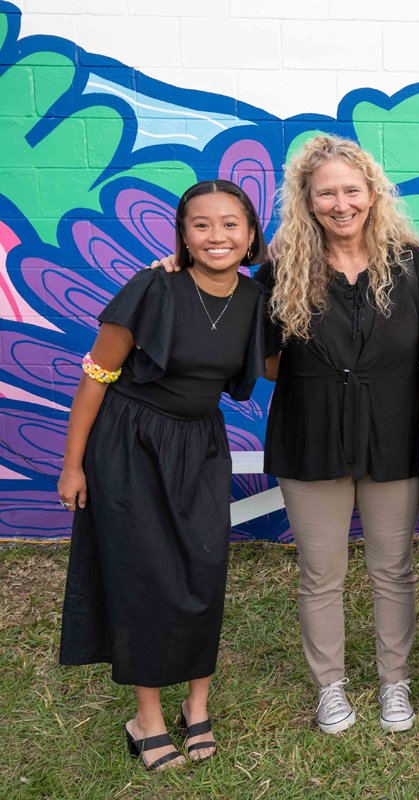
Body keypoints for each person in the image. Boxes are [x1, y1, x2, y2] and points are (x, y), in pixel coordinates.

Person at [155, 135, 419, 736]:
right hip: (311, 433)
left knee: (394, 566)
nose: (341, 203)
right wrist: (176, 264)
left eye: (351, 190)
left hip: (395, 432)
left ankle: (395, 682)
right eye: (326, 192)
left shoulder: (412, 263)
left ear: (373, 194)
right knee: (321, 569)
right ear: (307, 201)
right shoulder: (281, 268)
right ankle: (331, 687)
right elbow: (238, 319)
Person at [58, 179, 272, 770]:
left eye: (231, 224)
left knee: (204, 571)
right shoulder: (153, 286)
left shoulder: (255, 301)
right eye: (200, 225)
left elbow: (281, 363)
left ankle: (196, 706)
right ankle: (146, 715)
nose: (216, 236)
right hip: (131, 442)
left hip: (201, 444)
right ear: (182, 233)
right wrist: (73, 464)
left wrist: (272, 262)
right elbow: (97, 374)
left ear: (251, 232)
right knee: (144, 576)